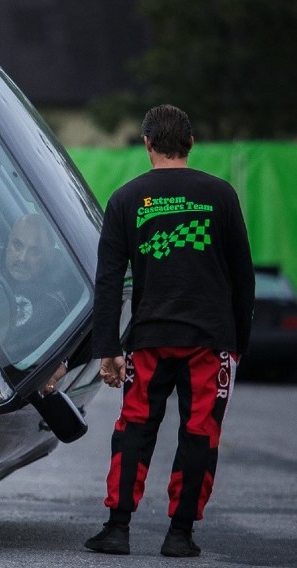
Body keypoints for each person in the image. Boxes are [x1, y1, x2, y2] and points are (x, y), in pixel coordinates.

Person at [84, 104, 254, 557]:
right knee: (200, 434)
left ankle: (117, 528)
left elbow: (108, 279)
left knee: (134, 429)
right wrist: (238, 345)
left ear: (147, 145)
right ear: (190, 144)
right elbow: (243, 275)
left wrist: (107, 347)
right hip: (210, 341)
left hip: (149, 339)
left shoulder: (125, 198)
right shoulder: (221, 195)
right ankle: (180, 535)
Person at [0, 212, 71, 393]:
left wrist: (52, 370)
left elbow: (51, 365)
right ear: (9, 239)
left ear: (50, 256)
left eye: (35, 251)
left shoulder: (53, 310)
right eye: (18, 245)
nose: (22, 258)